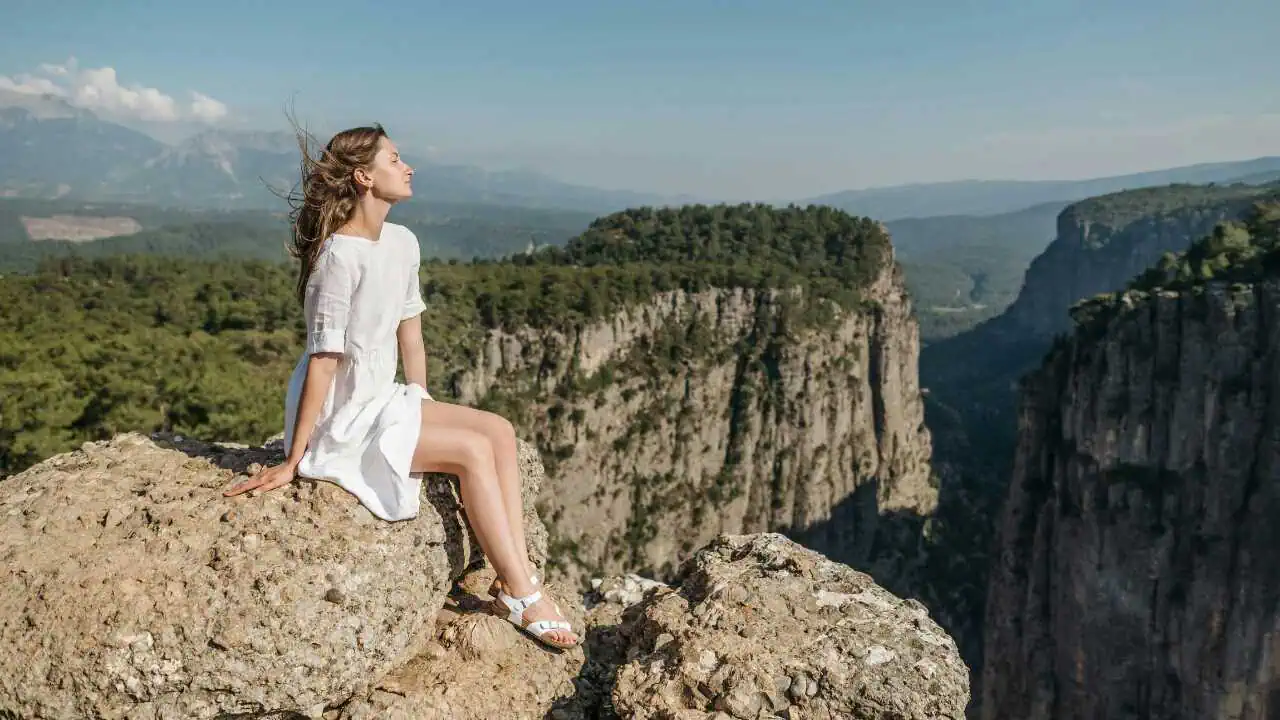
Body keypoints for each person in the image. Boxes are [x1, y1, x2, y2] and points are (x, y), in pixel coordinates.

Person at [223, 123, 577, 650]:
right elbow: (324, 359)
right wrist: (294, 457)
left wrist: (419, 396)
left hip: (382, 397)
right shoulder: (337, 258)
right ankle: (524, 596)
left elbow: (410, 329)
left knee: (498, 430)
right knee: (471, 453)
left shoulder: (402, 241)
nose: (407, 166)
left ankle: (513, 572)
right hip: (339, 415)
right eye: (394, 159)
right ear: (364, 177)